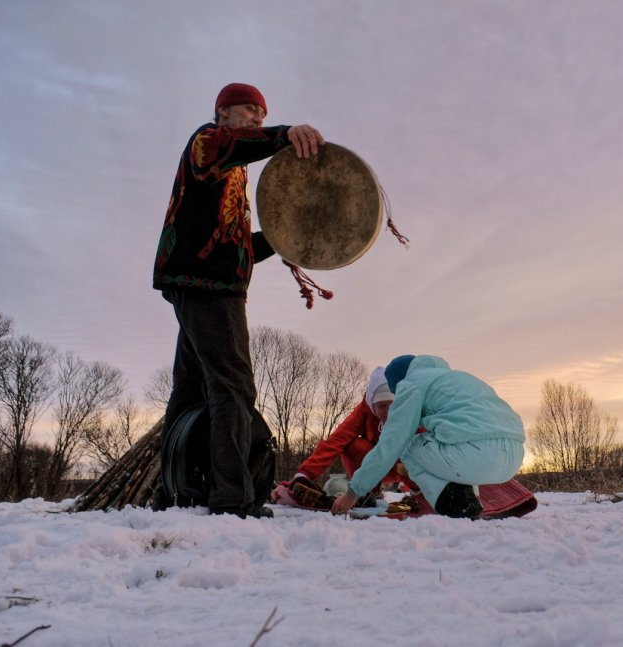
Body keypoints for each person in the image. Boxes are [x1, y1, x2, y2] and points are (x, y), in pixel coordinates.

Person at [152, 82, 325, 519]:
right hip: (210, 287)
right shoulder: (208, 142)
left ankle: (169, 492)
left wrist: (281, 241)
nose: (257, 120)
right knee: (233, 387)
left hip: (202, 281)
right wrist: (285, 134)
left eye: (263, 116)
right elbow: (239, 143)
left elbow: (234, 244)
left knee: (190, 389)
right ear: (222, 113)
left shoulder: (232, 171)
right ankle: (233, 499)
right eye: (249, 111)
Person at [330, 355, 526, 519]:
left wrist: (353, 492)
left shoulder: (411, 384)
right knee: (452, 440)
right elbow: (474, 431)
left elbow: (390, 445)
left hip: (477, 453)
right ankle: (470, 502)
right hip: (513, 457)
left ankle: (455, 505)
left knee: (408, 446)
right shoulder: (458, 379)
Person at [276, 367, 413, 508]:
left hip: (403, 464)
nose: (388, 412)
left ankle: (422, 496)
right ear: (372, 404)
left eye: (393, 404)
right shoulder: (363, 412)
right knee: (353, 445)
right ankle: (368, 493)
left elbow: (430, 446)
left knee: (419, 449)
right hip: (374, 466)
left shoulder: (411, 409)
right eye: (381, 406)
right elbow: (335, 441)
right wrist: (303, 474)